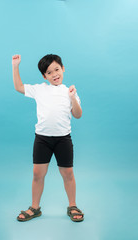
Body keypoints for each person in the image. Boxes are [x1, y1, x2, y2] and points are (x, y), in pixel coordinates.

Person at [12, 54, 84, 222]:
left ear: (63, 68)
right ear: (44, 76)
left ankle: (72, 205)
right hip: (42, 139)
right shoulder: (39, 89)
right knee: (37, 174)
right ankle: (35, 207)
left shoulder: (69, 92)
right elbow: (18, 87)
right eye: (49, 72)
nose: (54, 74)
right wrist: (15, 66)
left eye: (57, 69)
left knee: (68, 173)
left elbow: (78, 115)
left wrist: (73, 98)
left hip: (63, 139)